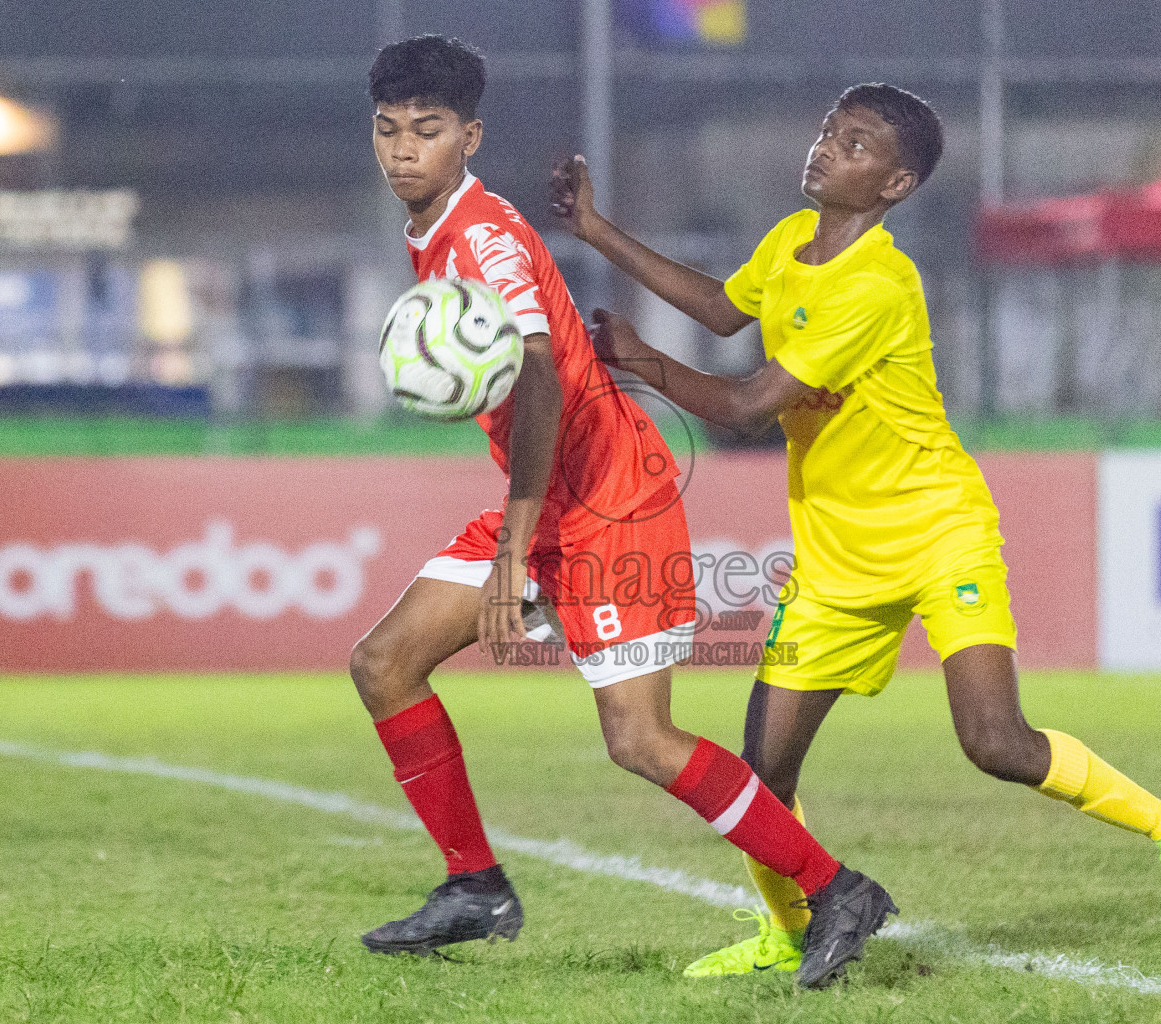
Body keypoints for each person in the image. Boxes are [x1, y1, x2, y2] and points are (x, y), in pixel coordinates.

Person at [552, 82, 1161, 977]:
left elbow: (742, 406)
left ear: (895, 186)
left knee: (995, 742)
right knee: (760, 778)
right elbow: (727, 309)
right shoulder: (788, 244)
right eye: (827, 132)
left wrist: (640, 359)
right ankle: (783, 930)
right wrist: (598, 230)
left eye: (854, 144)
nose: (825, 149)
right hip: (836, 557)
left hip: (937, 531)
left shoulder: (878, 282)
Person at [349, 36, 897, 989]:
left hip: (607, 502)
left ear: (468, 137)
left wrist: (518, 544)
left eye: (427, 132)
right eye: (389, 131)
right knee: (384, 663)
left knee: (640, 740)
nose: (404, 150)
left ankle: (836, 888)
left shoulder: (481, 235)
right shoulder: (428, 225)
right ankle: (475, 884)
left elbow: (540, 380)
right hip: (550, 495)